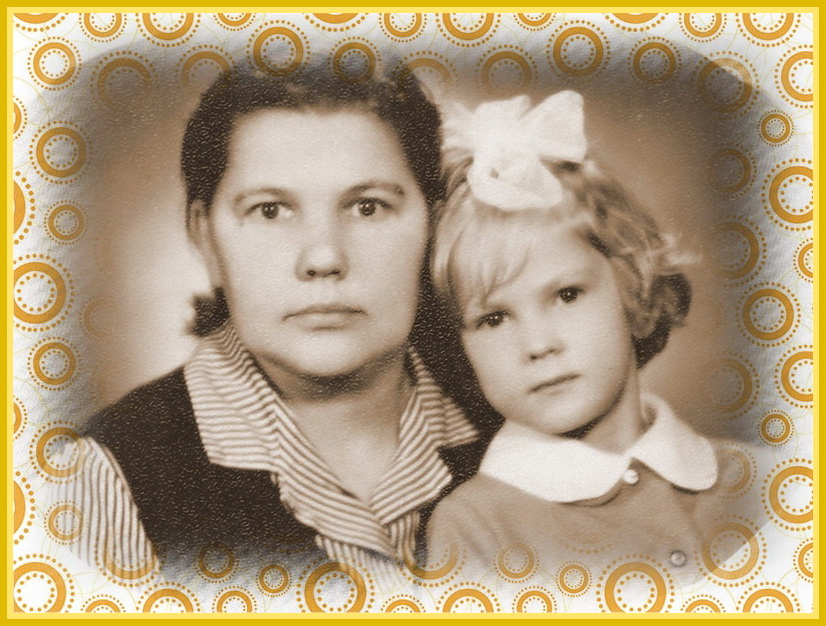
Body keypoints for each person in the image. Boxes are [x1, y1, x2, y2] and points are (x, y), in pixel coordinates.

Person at [62, 63, 493, 577]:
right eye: (270, 210)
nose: (323, 258)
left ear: (434, 226)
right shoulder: (101, 480)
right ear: (205, 237)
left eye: (368, 207)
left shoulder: (518, 429)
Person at [427, 91, 749, 580]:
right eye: (494, 319)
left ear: (634, 289)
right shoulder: (476, 528)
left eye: (567, 295)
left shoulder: (770, 481)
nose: (539, 345)